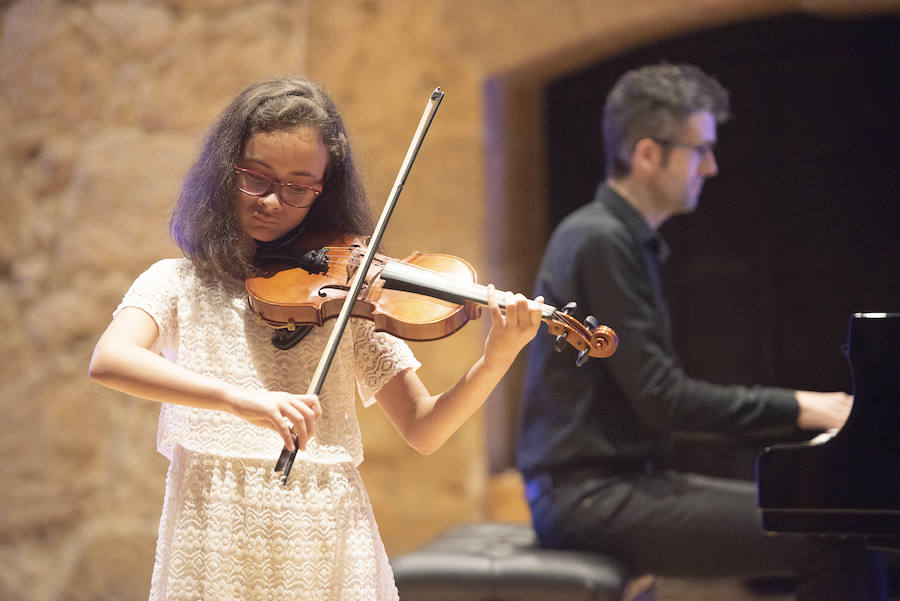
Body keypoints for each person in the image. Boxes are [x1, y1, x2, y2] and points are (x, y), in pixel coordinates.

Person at [88, 77, 543, 601]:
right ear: (224, 170)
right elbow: (111, 359)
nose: (272, 201)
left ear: (323, 191)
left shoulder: (346, 295)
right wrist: (241, 401)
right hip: (213, 532)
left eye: (298, 187)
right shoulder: (178, 282)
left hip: (325, 531)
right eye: (255, 177)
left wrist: (495, 360)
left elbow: (425, 428)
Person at [516, 64, 887, 600]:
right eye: (700, 149)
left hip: (617, 488)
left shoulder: (616, 237)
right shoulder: (600, 240)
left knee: (830, 515)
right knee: (828, 535)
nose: (711, 167)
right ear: (648, 154)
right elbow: (662, 399)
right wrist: (810, 406)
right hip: (590, 498)